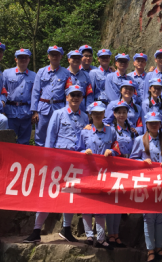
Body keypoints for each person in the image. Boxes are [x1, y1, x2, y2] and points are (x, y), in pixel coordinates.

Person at [24, 85, 88, 244]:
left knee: (70, 194)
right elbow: (50, 137)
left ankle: (66, 229)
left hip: (75, 162)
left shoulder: (85, 117)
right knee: (49, 194)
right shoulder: (58, 114)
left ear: (82, 98)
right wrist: (47, 159)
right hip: (58, 161)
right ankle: (36, 230)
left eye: (78, 95)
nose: (75, 98)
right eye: (72, 95)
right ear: (67, 97)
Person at [130, 112, 162, 262]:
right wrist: (142, 162)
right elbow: (132, 159)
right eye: (151, 122)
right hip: (147, 183)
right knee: (149, 217)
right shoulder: (140, 140)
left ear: (160, 124)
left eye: (156, 122)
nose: (154, 125)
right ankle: (150, 250)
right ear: (146, 124)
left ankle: (159, 247)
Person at [79, 102, 117, 250]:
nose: (98, 115)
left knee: (101, 206)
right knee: (87, 204)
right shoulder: (85, 132)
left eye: (100, 112)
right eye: (95, 113)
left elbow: (117, 147)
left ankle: (101, 238)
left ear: (104, 114)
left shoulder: (111, 130)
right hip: (88, 172)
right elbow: (77, 149)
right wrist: (84, 152)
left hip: (105, 173)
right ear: (91, 115)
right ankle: (89, 236)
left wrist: (112, 152)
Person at [106, 101, 135, 248]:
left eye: (124, 112)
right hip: (114, 166)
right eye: (119, 112)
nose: (122, 115)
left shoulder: (131, 130)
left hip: (127, 167)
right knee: (112, 200)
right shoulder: (110, 129)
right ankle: (110, 234)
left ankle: (116, 234)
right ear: (114, 114)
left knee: (119, 201)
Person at [30, 46, 70, 147]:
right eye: (52, 54)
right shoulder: (41, 71)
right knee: (40, 136)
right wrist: (34, 111)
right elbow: (35, 91)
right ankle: (40, 155)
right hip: (43, 108)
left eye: (57, 55)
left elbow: (68, 93)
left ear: (61, 56)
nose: (55, 57)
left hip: (59, 108)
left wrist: (67, 110)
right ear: (48, 56)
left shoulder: (66, 73)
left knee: (58, 134)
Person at [1, 49, 36, 144]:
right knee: (9, 140)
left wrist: (35, 112)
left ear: (29, 59)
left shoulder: (34, 75)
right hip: (10, 112)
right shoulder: (7, 73)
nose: (23, 59)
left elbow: (35, 95)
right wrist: (2, 111)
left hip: (26, 113)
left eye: (26, 57)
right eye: (20, 57)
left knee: (24, 142)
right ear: (16, 59)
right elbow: (2, 92)